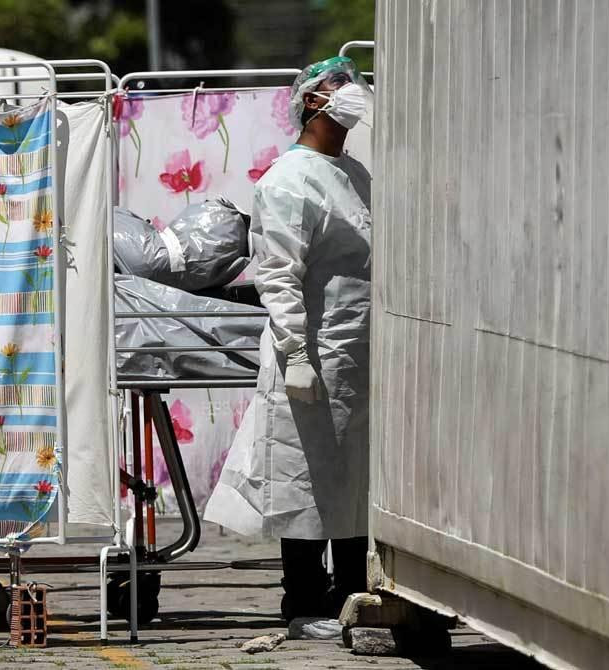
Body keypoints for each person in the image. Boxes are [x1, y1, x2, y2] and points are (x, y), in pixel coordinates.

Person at [204, 57, 373, 637]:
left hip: (354, 351)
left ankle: (354, 595)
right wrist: (296, 354)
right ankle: (303, 602)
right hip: (311, 350)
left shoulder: (354, 174)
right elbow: (278, 273)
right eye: (335, 86)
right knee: (304, 478)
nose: (350, 94)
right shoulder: (287, 179)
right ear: (310, 103)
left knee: (353, 480)